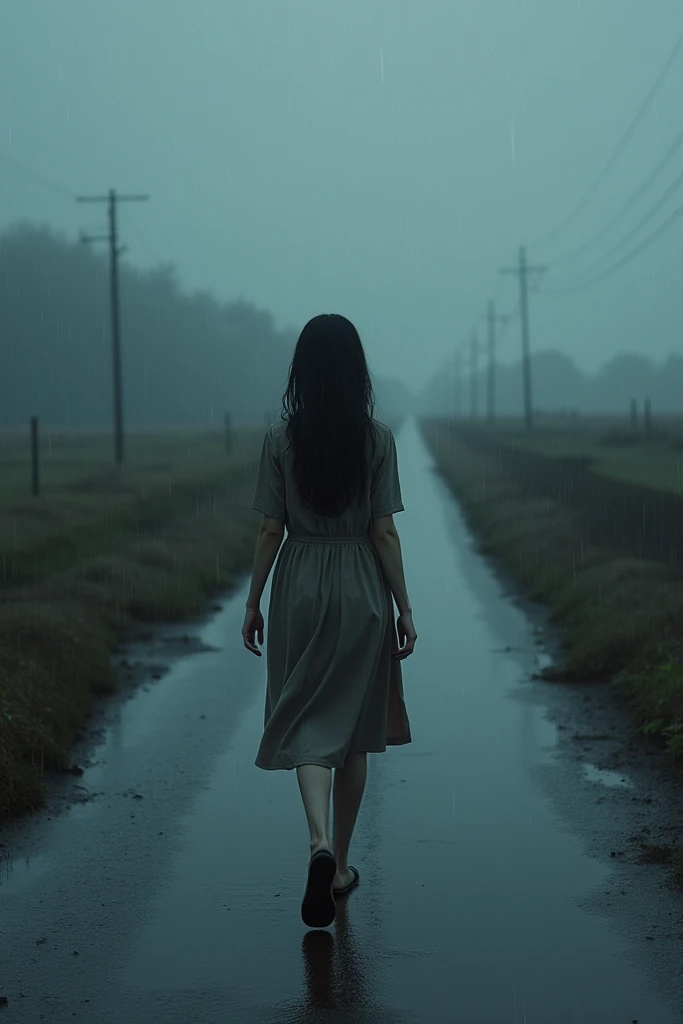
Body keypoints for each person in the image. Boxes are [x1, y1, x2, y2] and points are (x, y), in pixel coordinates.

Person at [241, 313, 417, 929]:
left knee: (307, 720)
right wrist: (404, 609)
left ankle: (316, 842)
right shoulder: (378, 440)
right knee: (353, 731)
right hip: (362, 588)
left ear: (302, 371)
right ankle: (340, 864)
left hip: (299, 588)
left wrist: (254, 600)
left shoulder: (279, 440)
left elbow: (270, 529)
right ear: (356, 371)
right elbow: (385, 531)